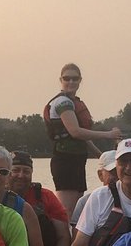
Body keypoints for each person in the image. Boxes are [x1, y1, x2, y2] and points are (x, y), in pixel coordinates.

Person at [43, 63, 123, 214]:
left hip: (77, 161)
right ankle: (63, 237)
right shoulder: (63, 102)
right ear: (61, 79)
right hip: (65, 161)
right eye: (67, 78)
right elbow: (76, 132)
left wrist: (101, 157)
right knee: (66, 212)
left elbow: (83, 138)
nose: (71, 82)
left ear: (80, 80)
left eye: (75, 78)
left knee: (76, 211)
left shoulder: (74, 103)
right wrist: (109, 134)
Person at [8, 150, 71, 246]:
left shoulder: (46, 197)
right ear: (7, 172)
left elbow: (64, 236)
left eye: (26, 171)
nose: (21, 175)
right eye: (15, 170)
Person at [68, 150, 117, 229]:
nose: (118, 177)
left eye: (121, 172)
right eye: (113, 172)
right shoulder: (85, 202)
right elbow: (76, 237)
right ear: (100, 175)